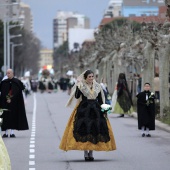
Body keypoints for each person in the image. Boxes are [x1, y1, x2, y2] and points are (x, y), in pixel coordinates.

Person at [59, 70, 116, 161]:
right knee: (84, 130)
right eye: (89, 77)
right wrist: (78, 85)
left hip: (96, 110)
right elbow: (77, 96)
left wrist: (105, 110)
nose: (91, 78)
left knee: (94, 130)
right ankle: (85, 152)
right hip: (84, 109)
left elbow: (101, 99)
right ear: (86, 77)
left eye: (92, 76)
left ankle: (91, 153)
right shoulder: (81, 86)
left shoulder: (97, 86)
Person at [0, 69, 29, 138]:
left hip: (14, 103)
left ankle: (12, 132)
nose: (8, 74)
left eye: (9, 73)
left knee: (13, 117)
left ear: (12, 73)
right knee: (5, 117)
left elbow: (18, 92)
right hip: (5, 103)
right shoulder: (4, 82)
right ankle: (6, 133)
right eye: (7, 73)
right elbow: (2, 92)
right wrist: (7, 98)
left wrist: (11, 98)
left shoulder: (17, 82)